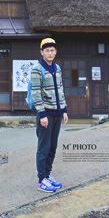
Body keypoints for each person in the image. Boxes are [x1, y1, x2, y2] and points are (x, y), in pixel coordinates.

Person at [31, 37, 68, 193]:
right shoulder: (37, 69)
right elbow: (36, 93)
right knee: (43, 148)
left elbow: (60, 89)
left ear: (56, 51)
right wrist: (42, 114)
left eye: (52, 50)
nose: (50, 53)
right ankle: (41, 180)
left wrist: (64, 110)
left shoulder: (57, 68)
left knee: (53, 146)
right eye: (47, 50)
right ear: (42, 52)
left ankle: (47, 175)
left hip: (57, 112)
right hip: (45, 114)